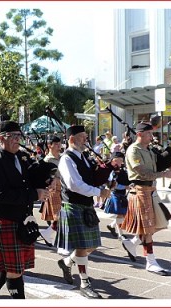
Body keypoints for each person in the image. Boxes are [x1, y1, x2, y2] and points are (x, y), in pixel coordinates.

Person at [0, 121, 48, 299]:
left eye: (19, 136)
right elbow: (2, 195)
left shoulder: (21, 157)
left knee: (15, 266)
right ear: (1, 138)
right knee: (15, 270)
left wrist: (47, 175)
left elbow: (31, 179)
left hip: (21, 217)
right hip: (4, 219)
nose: (18, 139)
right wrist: (34, 194)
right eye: (14, 136)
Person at [54, 125, 110, 298]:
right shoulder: (66, 159)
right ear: (72, 139)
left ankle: (66, 262)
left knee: (92, 245)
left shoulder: (84, 156)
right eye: (82, 137)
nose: (86, 139)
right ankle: (85, 283)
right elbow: (74, 184)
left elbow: (91, 178)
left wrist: (106, 174)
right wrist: (98, 192)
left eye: (86, 136)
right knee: (82, 247)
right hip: (73, 206)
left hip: (86, 206)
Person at [120, 122, 171, 274]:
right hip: (140, 190)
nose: (152, 136)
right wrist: (164, 174)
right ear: (139, 134)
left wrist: (169, 166)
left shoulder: (149, 149)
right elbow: (143, 173)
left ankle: (132, 243)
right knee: (148, 228)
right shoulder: (133, 150)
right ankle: (150, 262)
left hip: (151, 190)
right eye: (149, 134)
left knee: (161, 222)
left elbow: (156, 167)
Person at [39, 136, 63, 248]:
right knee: (60, 215)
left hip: (63, 189)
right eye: (56, 144)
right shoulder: (47, 160)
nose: (59, 146)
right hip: (54, 190)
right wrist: (55, 179)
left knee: (62, 215)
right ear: (50, 146)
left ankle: (48, 234)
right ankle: (50, 234)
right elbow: (45, 177)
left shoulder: (62, 158)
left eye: (59, 144)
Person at [103, 152, 129, 239]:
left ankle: (111, 225)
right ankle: (120, 234)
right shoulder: (112, 171)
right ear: (113, 160)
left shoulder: (122, 169)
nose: (120, 162)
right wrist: (125, 186)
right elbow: (113, 185)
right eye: (118, 160)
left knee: (123, 214)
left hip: (122, 194)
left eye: (121, 160)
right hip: (115, 194)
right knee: (120, 214)